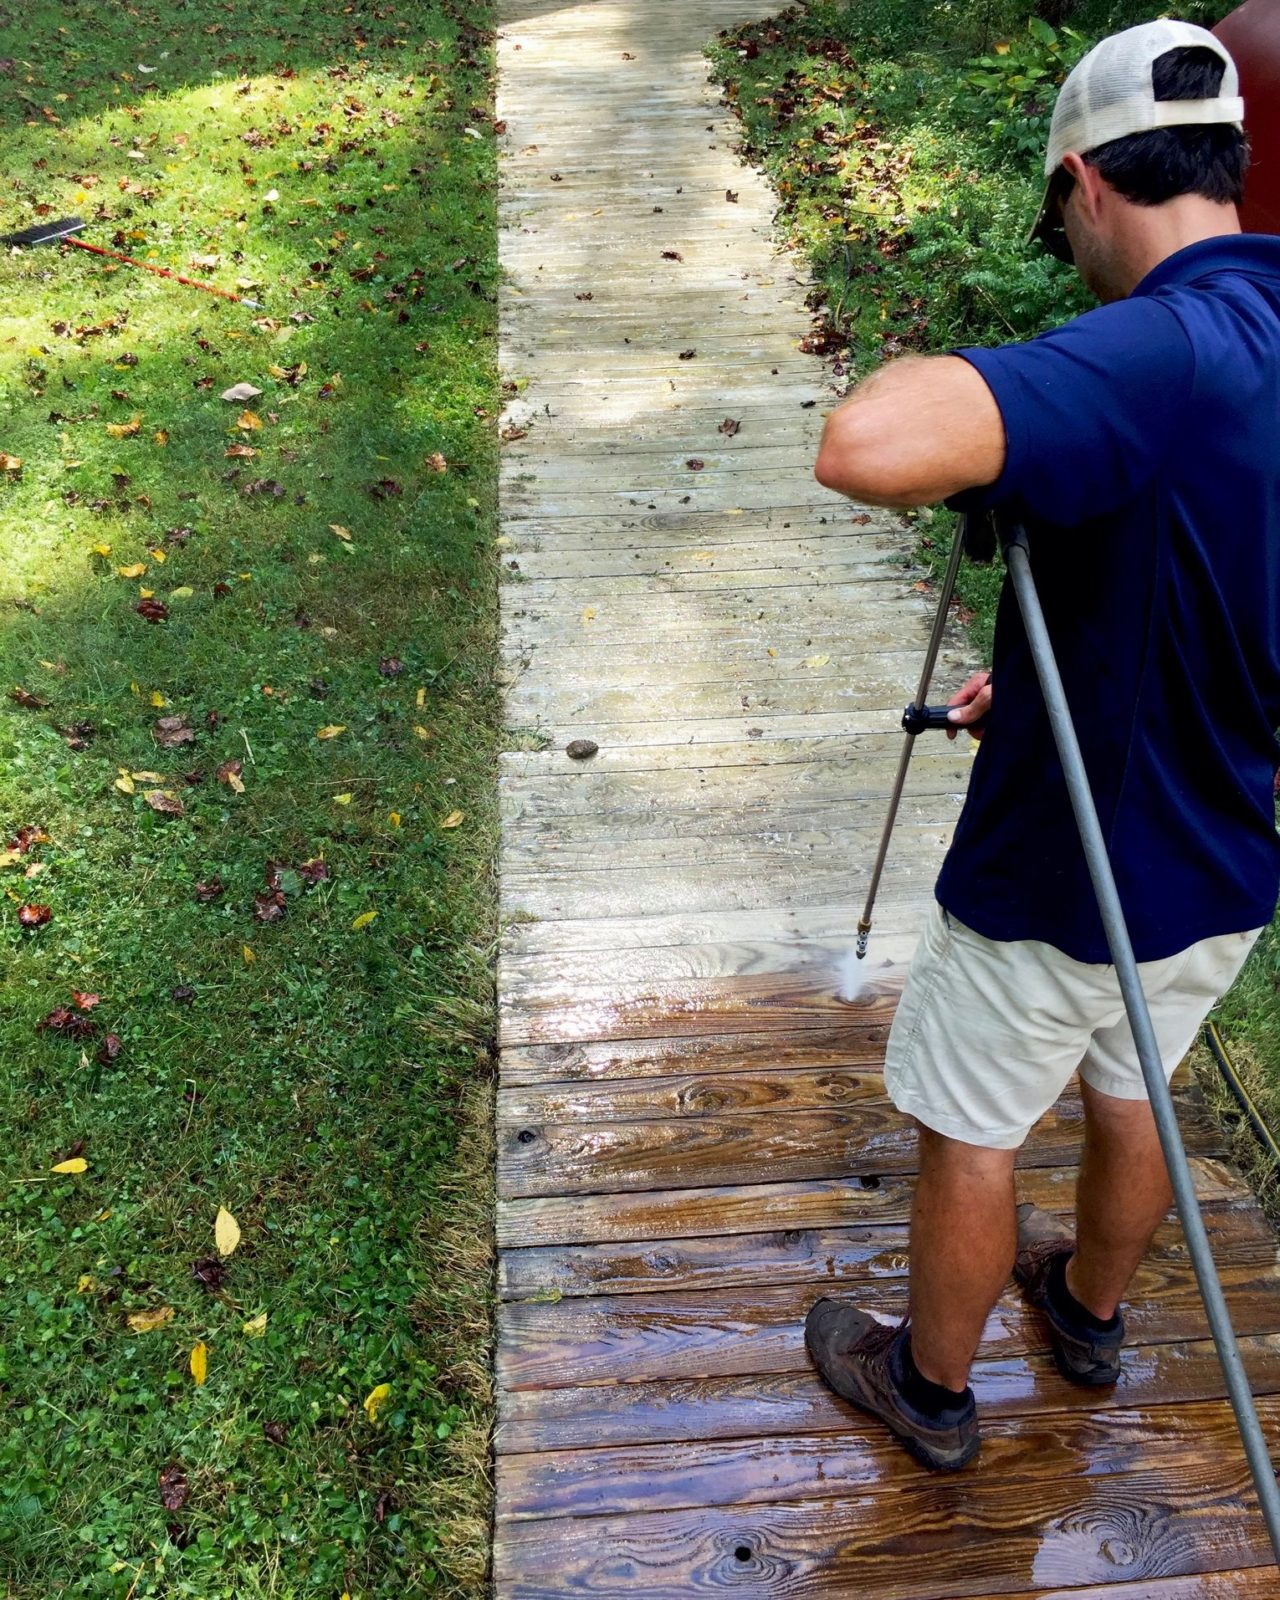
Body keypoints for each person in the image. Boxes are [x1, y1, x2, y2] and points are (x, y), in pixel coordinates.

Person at [804, 18, 1280, 1472]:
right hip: (1227, 845)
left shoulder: (1152, 346)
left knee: (973, 1124)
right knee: (1134, 1080)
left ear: (1085, 179)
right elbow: (1211, 549)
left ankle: (930, 1388)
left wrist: (998, 383)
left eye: (1057, 214)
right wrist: (1056, 672)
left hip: (1073, 867)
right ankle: (1085, 1314)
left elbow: (866, 444)